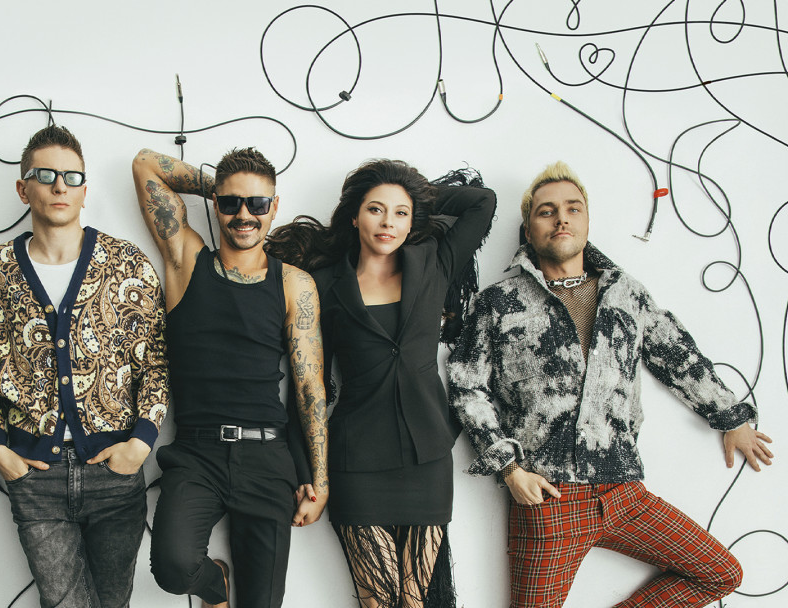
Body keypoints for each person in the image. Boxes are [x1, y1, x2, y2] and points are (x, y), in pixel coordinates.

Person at [448, 161, 775, 608]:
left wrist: (731, 418)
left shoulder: (626, 294)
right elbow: (467, 386)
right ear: (528, 228)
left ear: (587, 220)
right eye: (546, 211)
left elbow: (676, 354)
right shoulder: (498, 302)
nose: (561, 219)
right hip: (548, 499)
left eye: (572, 208)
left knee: (719, 573)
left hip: (623, 490)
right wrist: (509, 468)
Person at [266, 160, 496, 607]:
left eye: (400, 213)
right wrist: (306, 475)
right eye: (375, 209)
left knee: (413, 601)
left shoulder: (434, 261)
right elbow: (308, 386)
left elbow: (481, 202)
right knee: (379, 602)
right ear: (355, 216)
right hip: (356, 462)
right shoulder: (324, 286)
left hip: (427, 458)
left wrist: (413, 193)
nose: (388, 222)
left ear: (412, 221)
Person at [0, 125, 168, 608]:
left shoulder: (125, 262)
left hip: (114, 473)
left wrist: (141, 443)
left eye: (72, 176)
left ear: (84, 190)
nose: (59, 186)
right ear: (23, 188)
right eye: (45, 175)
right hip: (34, 476)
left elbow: (155, 362)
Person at [132, 147, 329, 608]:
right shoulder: (186, 261)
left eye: (257, 204)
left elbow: (310, 387)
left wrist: (319, 481)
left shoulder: (294, 284)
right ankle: (215, 583)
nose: (244, 215)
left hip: (267, 458)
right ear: (217, 204)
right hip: (197, 454)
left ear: (274, 207)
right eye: (231, 203)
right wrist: (218, 187)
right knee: (173, 566)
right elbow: (145, 164)